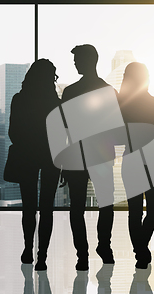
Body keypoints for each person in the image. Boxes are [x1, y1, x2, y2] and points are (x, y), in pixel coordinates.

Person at [61, 44, 116, 271]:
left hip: (77, 154)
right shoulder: (108, 90)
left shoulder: (70, 92)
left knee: (77, 207)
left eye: (77, 59)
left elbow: (64, 128)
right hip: (101, 152)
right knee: (106, 203)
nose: (74, 63)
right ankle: (104, 247)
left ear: (88, 61)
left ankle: (82, 254)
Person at [7, 59, 61, 271]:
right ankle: (42, 257)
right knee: (47, 208)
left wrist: (28, 142)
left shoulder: (19, 100)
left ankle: (28, 250)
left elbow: (13, 133)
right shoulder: (55, 103)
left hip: (27, 156)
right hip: (51, 157)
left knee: (29, 208)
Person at [118, 62, 154, 269]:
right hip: (151, 157)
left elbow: (118, 136)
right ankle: (141, 250)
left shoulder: (121, 105)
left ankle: (140, 249)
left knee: (135, 210)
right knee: (153, 209)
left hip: (133, 157)